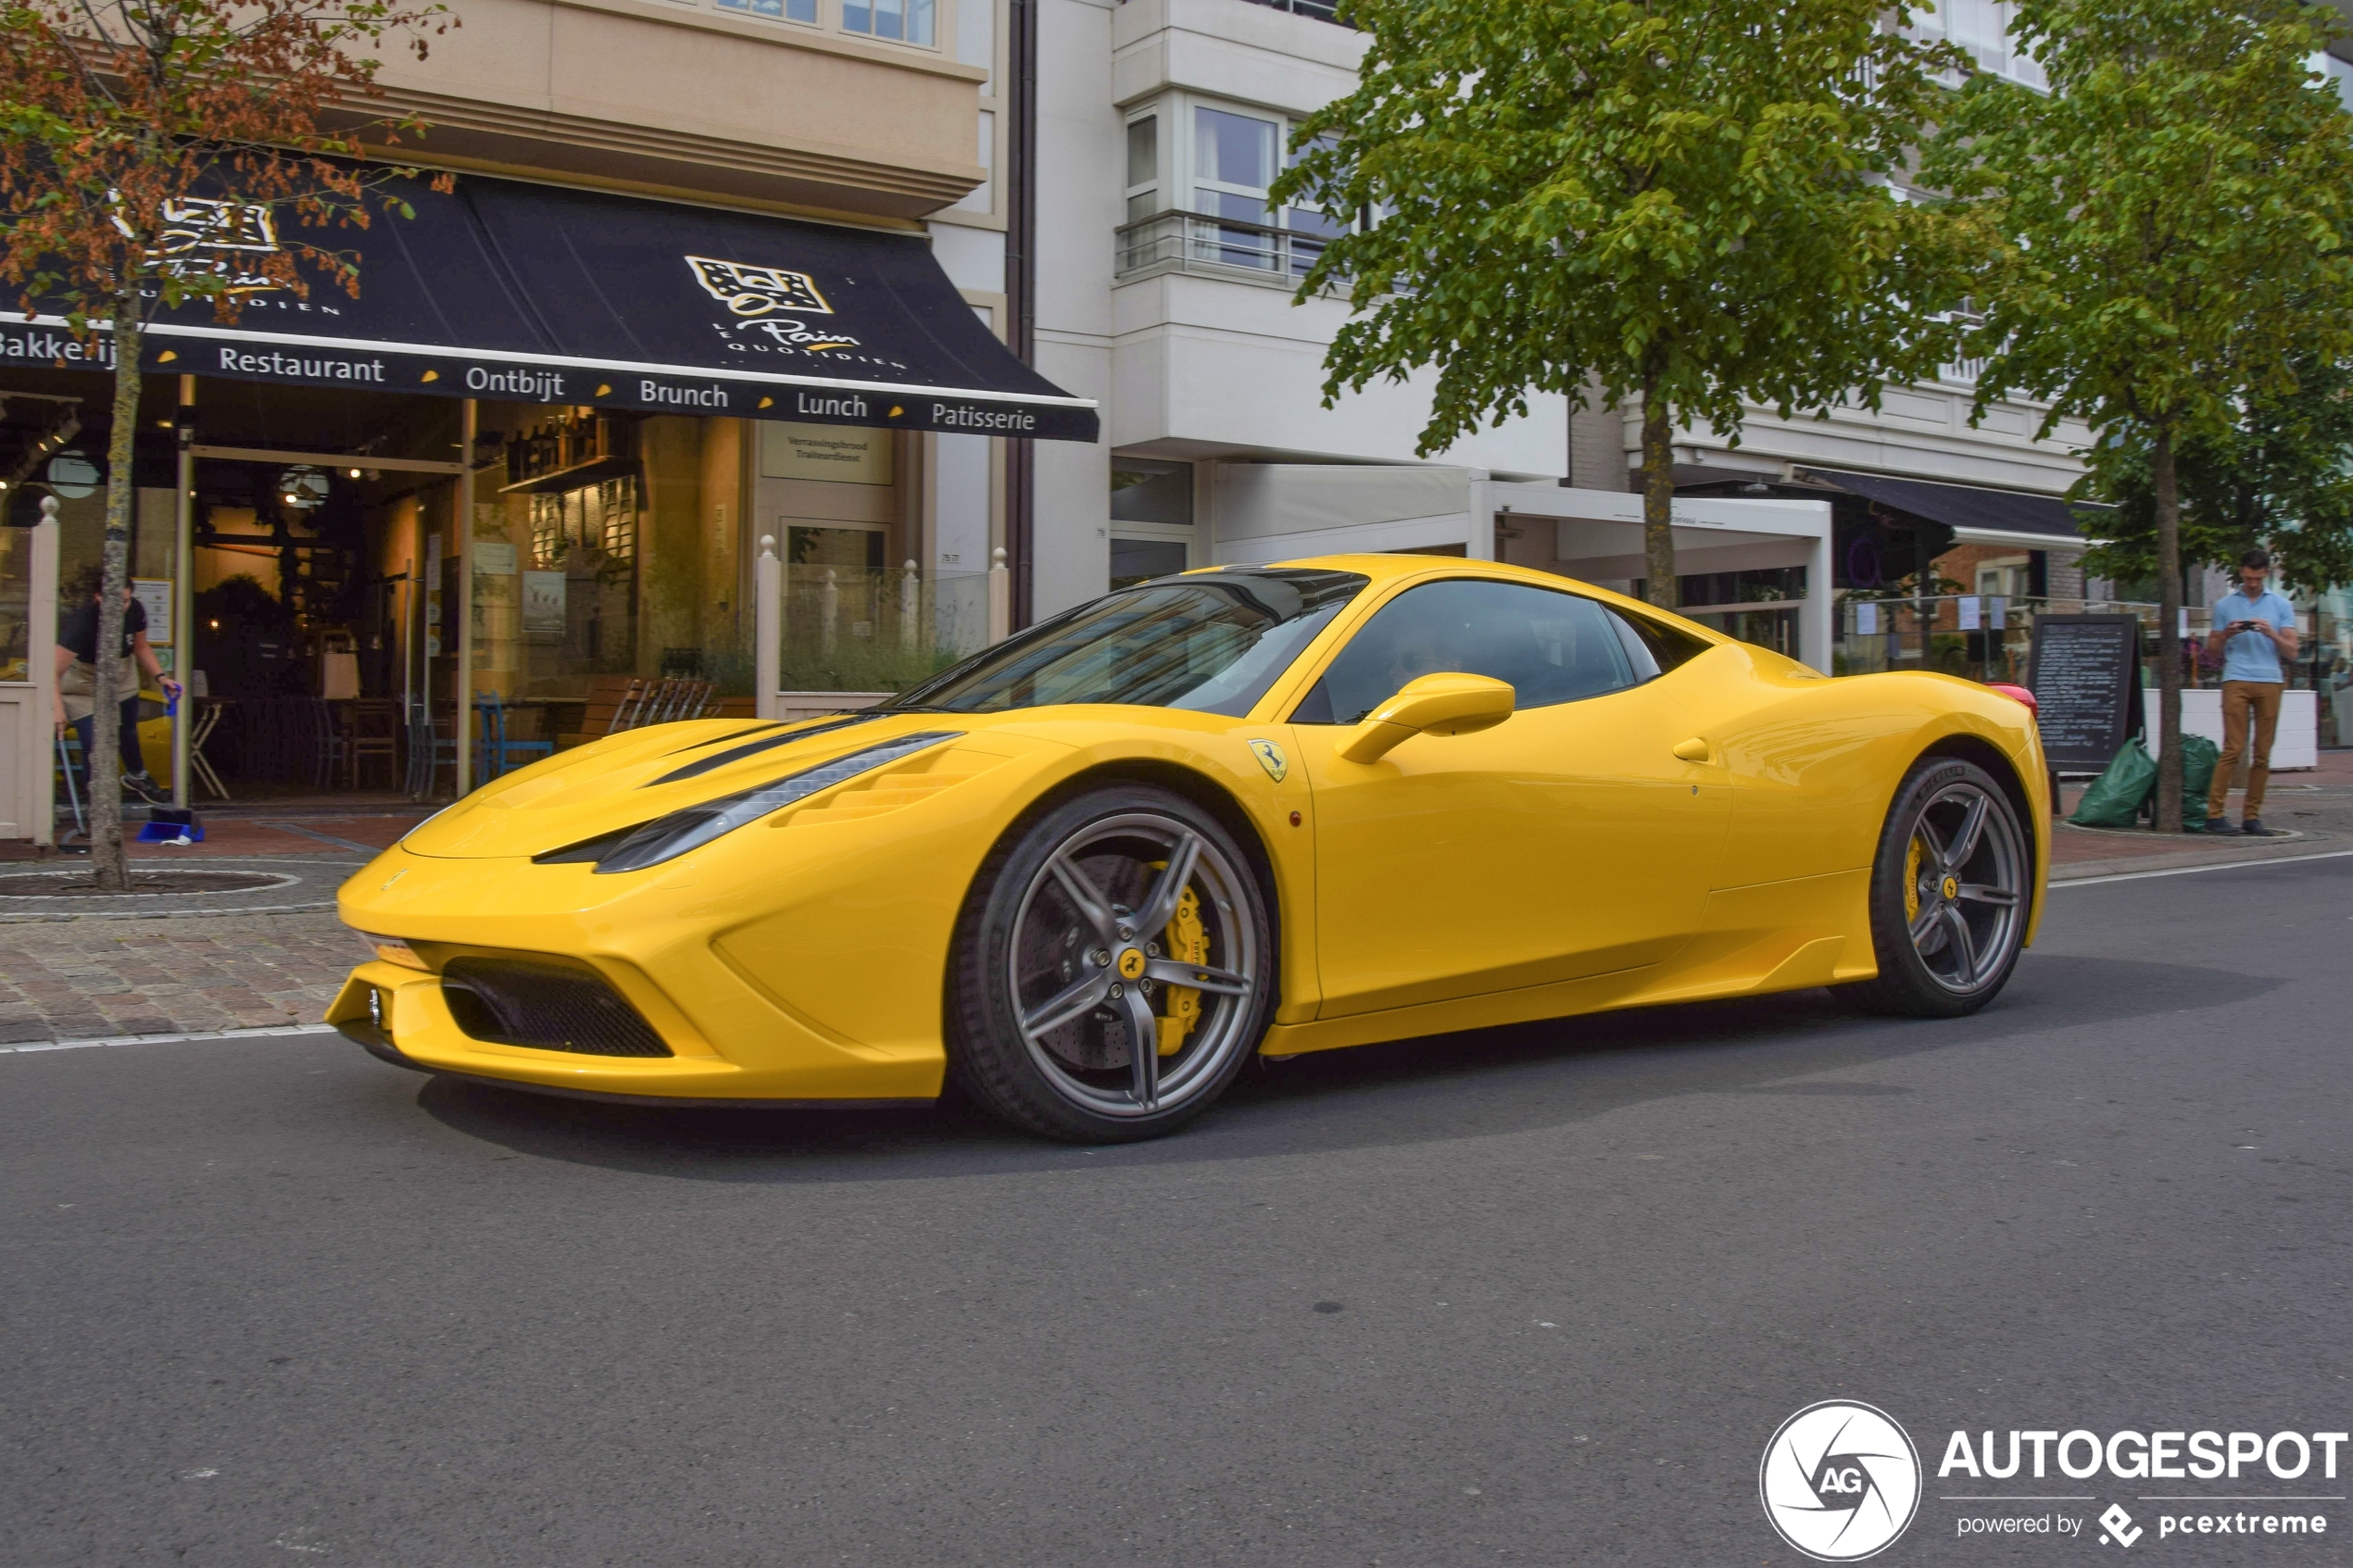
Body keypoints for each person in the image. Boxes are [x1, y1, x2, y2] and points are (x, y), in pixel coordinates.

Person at [53, 575, 181, 806]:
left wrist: (161, 677)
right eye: (114, 602)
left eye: (125, 601)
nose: (121, 608)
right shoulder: (83, 623)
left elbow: (141, 647)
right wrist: (58, 711)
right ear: (98, 597)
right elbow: (52, 672)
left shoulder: (135, 611)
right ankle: (97, 804)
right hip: (83, 682)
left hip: (121, 673)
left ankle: (137, 775)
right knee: (94, 741)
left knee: (128, 730)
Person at [2202, 549, 2299, 835]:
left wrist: (2271, 633)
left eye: (2257, 578)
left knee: (2262, 753)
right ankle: (2215, 815)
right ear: (2241, 573)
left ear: (2266, 573)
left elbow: (2293, 651)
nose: (2253, 583)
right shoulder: (2225, 605)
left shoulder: (2281, 605)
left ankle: (2251, 817)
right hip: (2236, 677)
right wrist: (2227, 634)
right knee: (2233, 747)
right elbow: (2211, 651)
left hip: (2270, 680)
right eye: (2248, 578)